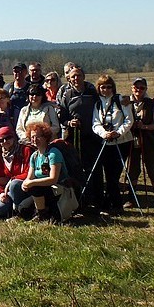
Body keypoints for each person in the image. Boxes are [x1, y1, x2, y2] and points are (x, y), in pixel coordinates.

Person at [57, 66, 101, 205]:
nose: (76, 78)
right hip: (74, 137)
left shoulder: (92, 91)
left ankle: (97, 198)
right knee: (76, 167)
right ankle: (79, 199)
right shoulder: (67, 95)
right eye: (73, 76)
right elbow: (62, 117)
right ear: (69, 79)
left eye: (79, 75)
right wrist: (69, 122)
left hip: (92, 136)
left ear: (83, 76)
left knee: (94, 167)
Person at [92, 75, 134, 215]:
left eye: (109, 87)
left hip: (122, 142)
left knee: (114, 175)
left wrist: (118, 132)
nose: (106, 89)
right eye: (103, 87)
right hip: (105, 142)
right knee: (108, 174)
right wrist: (104, 133)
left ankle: (112, 205)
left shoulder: (121, 100)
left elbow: (129, 120)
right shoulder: (97, 103)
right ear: (99, 88)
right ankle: (113, 205)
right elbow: (95, 123)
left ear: (113, 88)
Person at [17, 122, 67, 222]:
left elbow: (53, 179)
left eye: (38, 137)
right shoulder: (34, 156)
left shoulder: (53, 153)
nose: (34, 140)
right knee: (23, 206)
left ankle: (41, 214)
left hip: (57, 190)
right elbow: (30, 177)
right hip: (42, 189)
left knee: (34, 187)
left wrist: (31, 183)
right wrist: (25, 184)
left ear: (45, 137)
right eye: (32, 137)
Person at [126, 77, 154, 209]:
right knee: (132, 169)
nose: (138, 90)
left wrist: (144, 127)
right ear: (132, 88)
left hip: (149, 141)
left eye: (142, 87)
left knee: (153, 169)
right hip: (131, 141)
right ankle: (131, 198)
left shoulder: (152, 103)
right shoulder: (126, 102)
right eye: (136, 87)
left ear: (146, 89)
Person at [0, 126, 33, 218]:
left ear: (13, 137)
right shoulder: (1, 157)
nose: (5, 141)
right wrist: (0, 193)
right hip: (9, 190)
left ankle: (18, 213)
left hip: (26, 187)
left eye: (8, 138)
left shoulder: (25, 150)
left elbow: (29, 172)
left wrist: (12, 180)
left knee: (14, 184)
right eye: (1, 140)